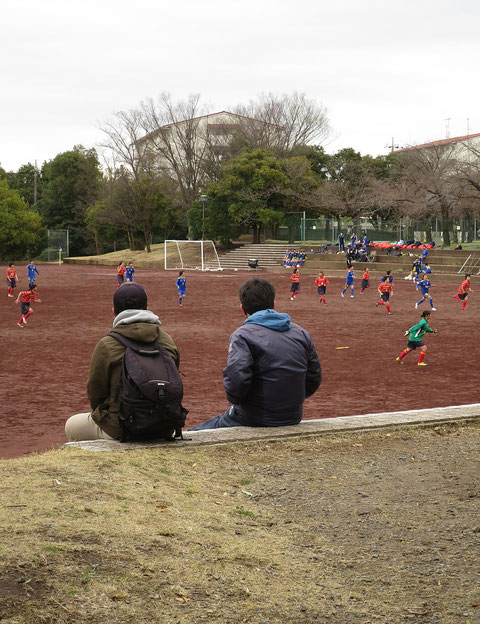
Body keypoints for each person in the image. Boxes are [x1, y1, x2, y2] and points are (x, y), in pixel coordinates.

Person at [189, 278, 321, 430]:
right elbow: (314, 377)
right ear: (274, 304)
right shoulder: (301, 333)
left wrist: (238, 402)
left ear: (242, 309)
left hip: (255, 416)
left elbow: (237, 379)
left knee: (195, 434)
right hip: (293, 415)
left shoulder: (242, 336)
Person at [65, 283, 180, 441]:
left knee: (71, 425)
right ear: (147, 308)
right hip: (165, 426)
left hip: (122, 428)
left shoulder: (107, 344)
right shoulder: (167, 341)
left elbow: (95, 391)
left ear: (114, 311)